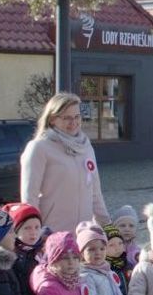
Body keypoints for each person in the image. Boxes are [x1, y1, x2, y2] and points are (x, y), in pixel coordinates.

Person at [20, 92, 110, 234]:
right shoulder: (39, 148)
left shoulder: (86, 147)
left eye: (77, 117)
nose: (73, 122)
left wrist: (108, 228)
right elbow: (29, 197)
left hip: (84, 235)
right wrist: (35, 233)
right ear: (52, 119)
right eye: (67, 118)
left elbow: (95, 194)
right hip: (53, 235)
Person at [112, 205, 142, 270]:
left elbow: (134, 252)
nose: (127, 229)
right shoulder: (111, 244)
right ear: (114, 228)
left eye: (131, 226)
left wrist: (137, 256)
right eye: (122, 225)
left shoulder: (134, 246)